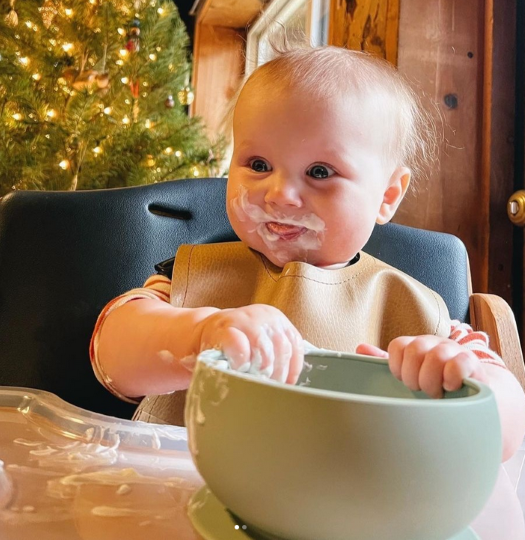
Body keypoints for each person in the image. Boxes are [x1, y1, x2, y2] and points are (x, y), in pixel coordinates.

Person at [90, 45, 525, 460]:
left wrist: (459, 379)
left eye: (319, 172)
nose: (280, 194)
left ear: (387, 195)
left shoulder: (417, 312)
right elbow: (111, 355)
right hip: (183, 493)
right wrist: (198, 335)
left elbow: (508, 430)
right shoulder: (196, 280)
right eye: (259, 165)